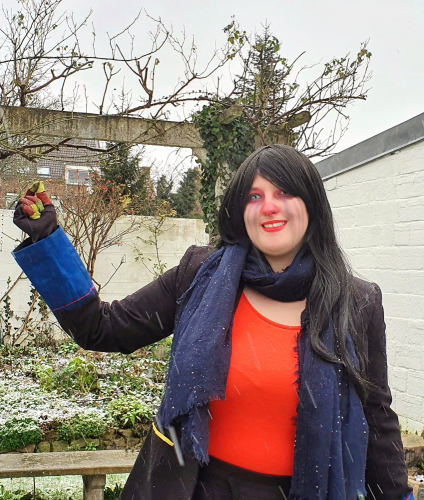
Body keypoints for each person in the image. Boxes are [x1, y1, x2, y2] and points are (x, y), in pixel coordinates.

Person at [12, 145, 413, 500]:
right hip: (193, 488)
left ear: (312, 204)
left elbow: (376, 416)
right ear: (240, 210)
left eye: (284, 192)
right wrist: (48, 243)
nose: (269, 207)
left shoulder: (357, 303)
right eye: (254, 196)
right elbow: (101, 328)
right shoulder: (198, 276)